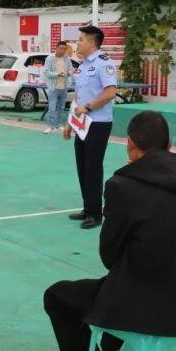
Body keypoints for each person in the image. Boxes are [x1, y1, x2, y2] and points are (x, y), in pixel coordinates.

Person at [43, 111, 176, 351]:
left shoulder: (122, 186)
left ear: (131, 146)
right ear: (169, 145)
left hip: (143, 307)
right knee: (121, 285)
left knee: (59, 296)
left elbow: (109, 257)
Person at [63, 25, 118, 230]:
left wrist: (87, 107)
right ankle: (87, 208)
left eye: (81, 40)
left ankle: (96, 214)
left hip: (98, 123)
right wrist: (70, 122)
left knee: (93, 168)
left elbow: (110, 93)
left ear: (92, 42)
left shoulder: (104, 64)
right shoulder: (83, 65)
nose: (77, 43)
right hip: (82, 124)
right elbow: (78, 96)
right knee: (82, 167)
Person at [43, 41, 73, 134]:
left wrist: (69, 73)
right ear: (56, 48)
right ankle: (50, 126)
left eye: (64, 49)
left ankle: (58, 125)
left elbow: (71, 70)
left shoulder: (67, 58)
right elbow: (46, 72)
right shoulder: (50, 58)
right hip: (53, 87)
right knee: (52, 107)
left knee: (61, 107)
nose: (63, 50)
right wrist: (57, 74)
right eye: (61, 48)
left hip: (64, 87)